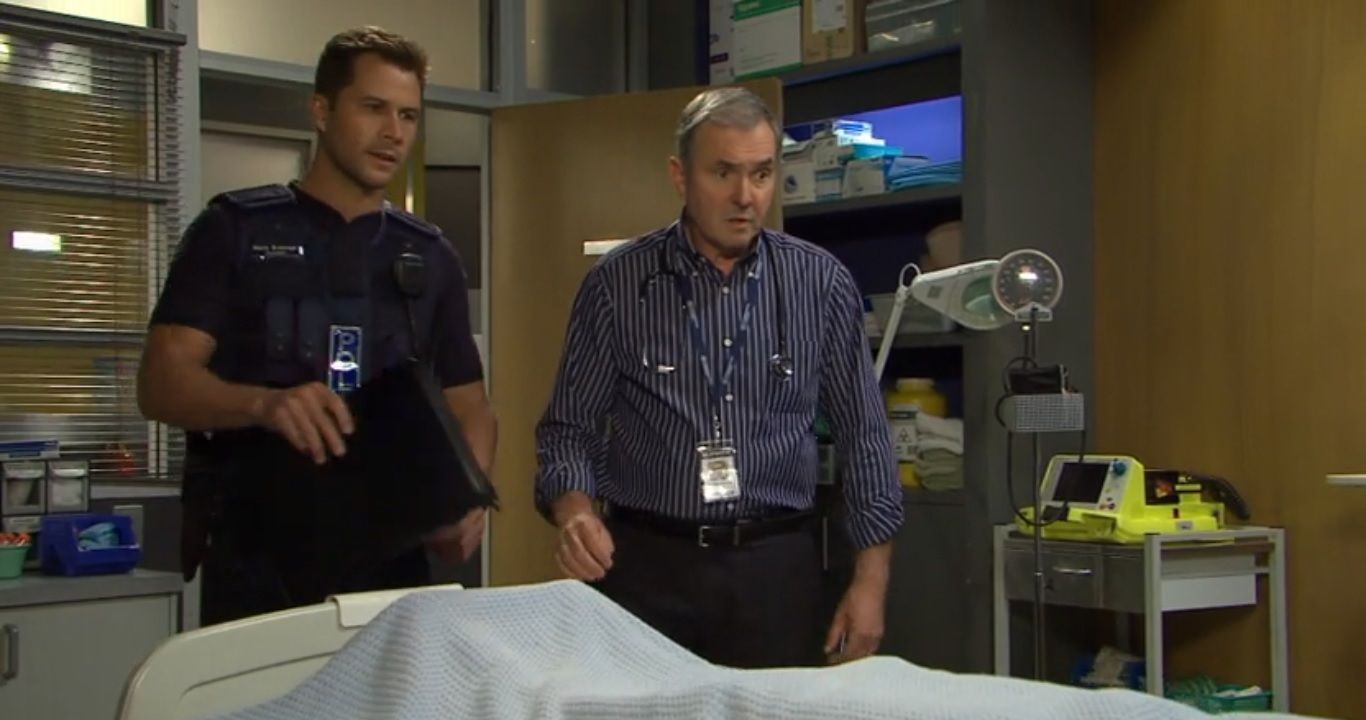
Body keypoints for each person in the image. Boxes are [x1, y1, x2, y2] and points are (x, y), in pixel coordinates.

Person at [534, 87, 904, 669]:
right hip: (647, 566)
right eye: (723, 172)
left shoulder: (820, 284)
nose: (744, 197)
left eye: (761, 174)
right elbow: (567, 429)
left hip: (776, 569)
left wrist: (871, 582)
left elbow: (866, 438)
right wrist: (575, 512)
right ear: (680, 176)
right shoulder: (617, 284)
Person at [138, 27, 496, 625]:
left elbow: (471, 405)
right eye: (373, 108)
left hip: (390, 567)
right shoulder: (234, 231)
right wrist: (264, 406)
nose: (394, 132)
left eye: (408, 115)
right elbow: (160, 383)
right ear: (322, 111)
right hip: (257, 562)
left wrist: (469, 495)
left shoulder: (429, 257)